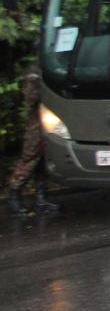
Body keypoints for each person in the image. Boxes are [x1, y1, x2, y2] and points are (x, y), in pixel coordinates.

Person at [6, 68, 58, 216]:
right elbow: (30, 98)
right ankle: (14, 195)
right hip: (36, 123)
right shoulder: (34, 73)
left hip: (51, 120)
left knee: (43, 160)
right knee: (30, 157)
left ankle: (41, 198)